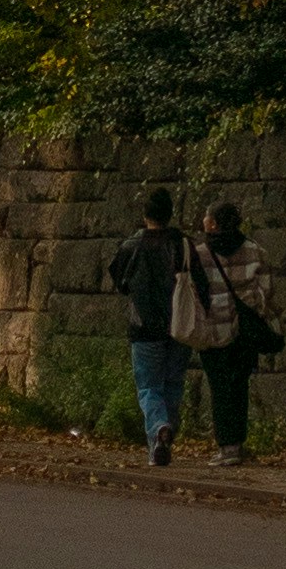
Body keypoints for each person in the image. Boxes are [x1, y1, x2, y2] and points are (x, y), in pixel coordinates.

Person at [182, 197, 279, 467]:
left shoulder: (200, 254)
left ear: (212, 224)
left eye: (205, 216)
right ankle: (237, 443)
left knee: (219, 388)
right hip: (244, 332)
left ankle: (227, 446)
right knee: (239, 386)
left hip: (214, 331)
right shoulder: (255, 250)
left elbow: (195, 292)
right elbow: (267, 290)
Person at [104, 183, 191, 466]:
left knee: (149, 387)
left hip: (143, 329)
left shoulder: (131, 246)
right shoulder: (183, 244)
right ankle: (164, 438)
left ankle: (158, 431)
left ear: (146, 215)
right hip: (180, 325)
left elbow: (119, 281)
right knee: (173, 384)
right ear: (170, 214)